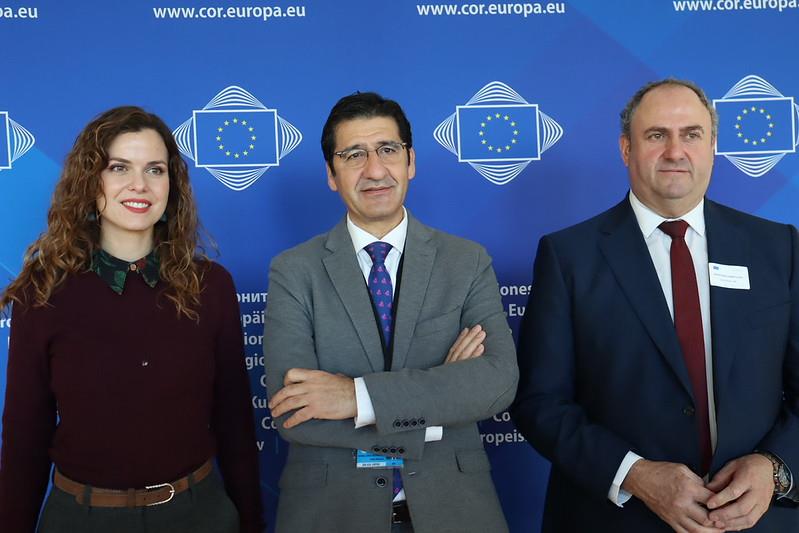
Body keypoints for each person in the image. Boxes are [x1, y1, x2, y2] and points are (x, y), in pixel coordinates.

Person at [511, 78, 799, 532]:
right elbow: (539, 402)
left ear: (713, 147)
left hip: (755, 520)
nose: (675, 151)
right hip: (616, 519)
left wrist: (773, 467)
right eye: (656, 135)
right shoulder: (569, 257)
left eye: (691, 135)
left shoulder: (778, 248)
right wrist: (635, 475)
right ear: (626, 149)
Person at [262, 92, 518, 533]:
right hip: (333, 515)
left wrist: (355, 398)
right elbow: (294, 411)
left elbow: (496, 382)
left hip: (455, 511)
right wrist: (437, 405)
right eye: (353, 155)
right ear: (331, 174)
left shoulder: (467, 261)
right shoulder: (293, 270)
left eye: (387, 150)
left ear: (410, 161)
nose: (375, 170)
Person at [0, 107, 264, 532]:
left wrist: (251, 523)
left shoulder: (211, 286)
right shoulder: (43, 291)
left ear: (171, 185)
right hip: (82, 519)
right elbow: (24, 435)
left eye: (155, 169)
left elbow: (234, 422)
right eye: (119, 167)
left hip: (199, 515)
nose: (139, 184)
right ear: (91, 181)